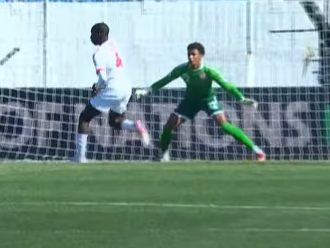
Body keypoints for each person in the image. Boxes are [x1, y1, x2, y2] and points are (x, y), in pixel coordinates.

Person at [135, 42, 265, 162]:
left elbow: (227, 85)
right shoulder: (182, 69)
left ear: (201, 56)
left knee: (224, 125)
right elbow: (165, 80)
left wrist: (241, 98)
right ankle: (164, 154)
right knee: (169, 125)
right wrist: (147, 90)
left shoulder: (208, 71)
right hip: (190, 101)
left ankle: (257, 151)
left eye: (194, 54)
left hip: (208, 100)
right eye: (189, 54)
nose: (190, 57)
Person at [74, 23, 150, 163]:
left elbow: (103, 78)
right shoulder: (113, 45)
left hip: (113, 88)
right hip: (126, 88)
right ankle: (135, 125)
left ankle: (80, 157)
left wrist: (97, 87)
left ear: (98, 34)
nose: (90, 37)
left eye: (92, 34)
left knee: (84, 118)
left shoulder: (98, 54)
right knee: (115, 120)